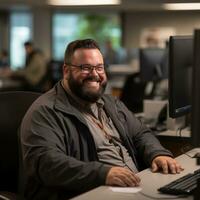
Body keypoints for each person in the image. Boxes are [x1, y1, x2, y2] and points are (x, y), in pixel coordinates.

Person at [20, 39, 183, 200]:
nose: (95, 74)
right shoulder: (46, 111)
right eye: (85, 68)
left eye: (99, 67)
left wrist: (157, 154)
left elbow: (140, 133)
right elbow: (46, 163)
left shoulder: (110, 103)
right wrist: (103, 174)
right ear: (66, 71)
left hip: (132, 188)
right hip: (89, 192)